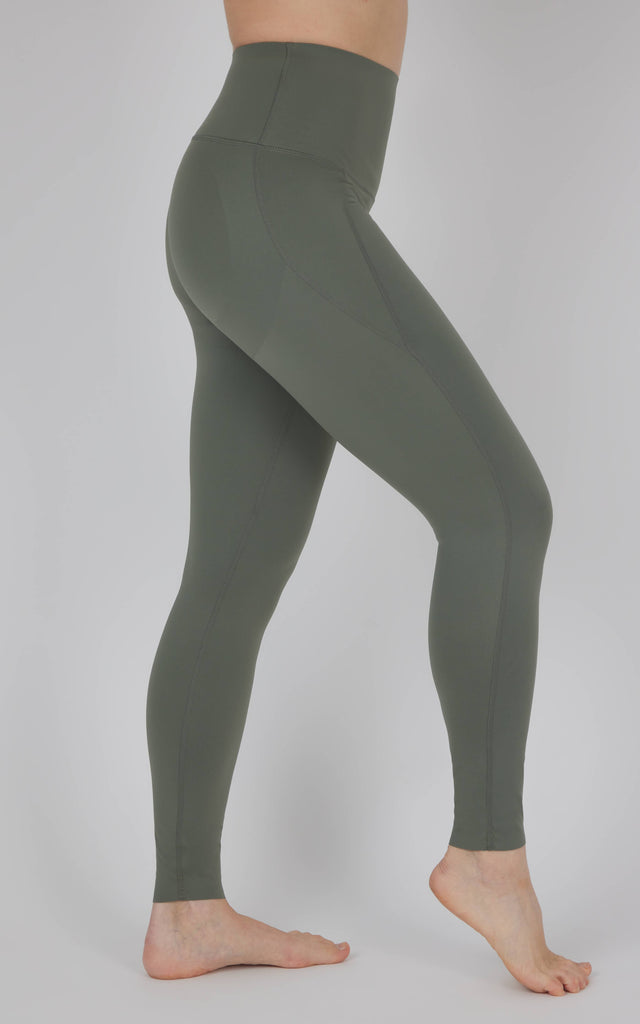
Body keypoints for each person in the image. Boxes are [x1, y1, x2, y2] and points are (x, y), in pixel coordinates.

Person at [142, 0, 592, 995]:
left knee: (230, 574)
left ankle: (186, 909)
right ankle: (487, 856)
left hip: (248, 190)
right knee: (500, 509)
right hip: (280, 190)